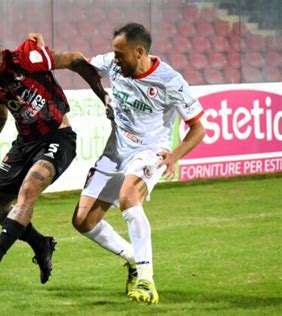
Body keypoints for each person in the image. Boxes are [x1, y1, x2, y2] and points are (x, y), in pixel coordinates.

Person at [66, 23, 205, 304]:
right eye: (114, 54)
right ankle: (132, 258)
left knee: (128, 195)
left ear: (139, 51)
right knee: (83, 221)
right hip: (115, 152)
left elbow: (198, 128)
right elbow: (81, 63)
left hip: (150, 151)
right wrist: (43, 57)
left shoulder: (170, 81)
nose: (114, 60)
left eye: (120, 54)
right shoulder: (114, 64)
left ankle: (146, 280)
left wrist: (175, 155)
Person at [0, 28, 108, 284]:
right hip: (24, 144)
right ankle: (41, 244)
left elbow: (74, 59)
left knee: (28, 189)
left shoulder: (25, 58)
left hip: (57, 138)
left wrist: (103, 95)